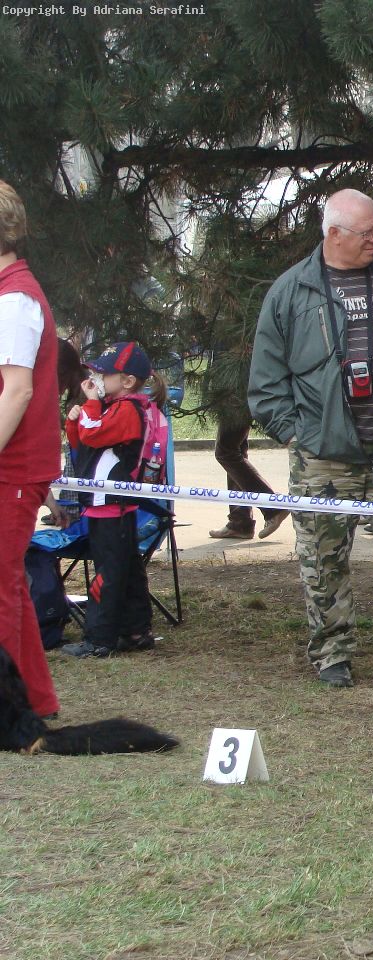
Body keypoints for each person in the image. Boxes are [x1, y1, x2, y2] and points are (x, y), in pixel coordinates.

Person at [248, 188, 373, 696]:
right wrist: (297, 434)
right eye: (367, 232)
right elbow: (266, 381)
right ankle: (332, 654)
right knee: (322, 563)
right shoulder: (291, 291)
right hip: (323, 458)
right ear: (334, 233)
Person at [0, 180, 63, 717]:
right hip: (14, 465)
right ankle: (35, 701)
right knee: (9, 588)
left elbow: (16, 390)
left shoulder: (15, 300)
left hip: (13, 467)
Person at [60, 342, 166, 659]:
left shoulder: (128, 410)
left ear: (127, 381)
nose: (96, 379)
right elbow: (82, 442)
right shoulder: (112, 407)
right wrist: (74, 419)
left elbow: (93, 434)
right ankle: (136, 631)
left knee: (108, 575)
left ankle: (99, 639)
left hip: (112, 506)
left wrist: (90, 405)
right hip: (106, 505)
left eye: (103, 374)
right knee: (128, 569)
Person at [208, 403, 290, 541]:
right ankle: (240, 521)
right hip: (237, 396)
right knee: (235, 451)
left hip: (235, 396)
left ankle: (272, 507)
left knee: (226, 452)